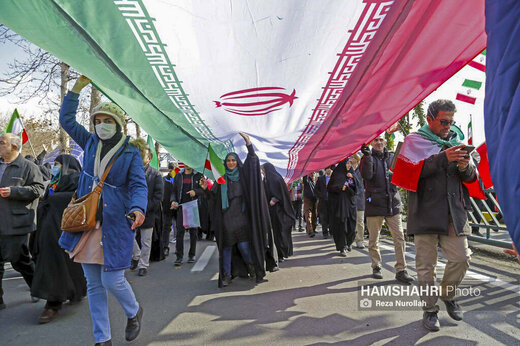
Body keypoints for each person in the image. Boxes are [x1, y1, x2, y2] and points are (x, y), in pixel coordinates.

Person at [58, 76, 147, 345]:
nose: (101, 125)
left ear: (118, 124)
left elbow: (138, 184)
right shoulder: (90, 141)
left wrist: (137, 208)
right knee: (94, 285)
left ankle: (134, 311)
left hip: (116, 221)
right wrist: (76, 89)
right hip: (87, 220)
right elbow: (67, 120)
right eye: (98, 120)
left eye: (107, 120)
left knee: (112, 281)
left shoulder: (130, 151)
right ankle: (102, 339)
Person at [402, 100, 474, 331]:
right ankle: (430, 310)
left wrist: (464, 166)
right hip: (424, 211)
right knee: (426, 267)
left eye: (451, 122)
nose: (448, 126)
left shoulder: (456, 141)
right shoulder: (414, 141)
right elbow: (407, 174)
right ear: (430, 118)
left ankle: (448, 294)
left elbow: (472, 178)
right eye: (443, 121)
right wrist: (443, 158)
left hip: (454, 211)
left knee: (462, 258)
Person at [201, 133, 277, 287]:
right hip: (227, 220)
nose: (230, 163)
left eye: (233, 160)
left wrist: (248, 144)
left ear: (237, 162)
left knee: (243, 246)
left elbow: (253, 162)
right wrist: (205, 189)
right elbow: (214, 198)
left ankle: (252, 268)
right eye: (228, 160)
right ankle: (227, 275)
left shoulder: (244, 176)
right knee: (227, 248)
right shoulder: (222, 179)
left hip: (242, 219)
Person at [31, 155, 86, 324]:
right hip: (49, 231)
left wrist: (53, 200)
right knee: (52, 265)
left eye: (57, 164)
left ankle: (59, 299)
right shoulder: (54, 182)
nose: (55, 168)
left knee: (70, 265)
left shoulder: (77, 179)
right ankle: (53, 301)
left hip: (67, 230)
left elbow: (79, 200)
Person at [360, 135, 413, 284]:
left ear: (385, 141)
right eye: (375, 140)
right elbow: (367, 175)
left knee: (399, 237)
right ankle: (376, 266)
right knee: (373, 240)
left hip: (393, 204)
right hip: (374, 204)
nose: (378, 143)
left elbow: (402, 174)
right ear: (371, 142)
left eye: (381, 140)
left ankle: (401, 270)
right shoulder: (366, 158)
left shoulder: (392, 157)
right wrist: (368, 157)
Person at [0, 133, 44, 310]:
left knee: (19, 260)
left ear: (14, 147)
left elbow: (38, 189)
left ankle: (36, 288)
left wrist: (14, 191)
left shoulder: (28, 167)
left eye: (2, 143)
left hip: (17, 223)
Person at [132, 146, 163, 276]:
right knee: (130, 238)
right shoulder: (131, 173)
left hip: (148, 213)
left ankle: (143, 265)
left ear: (149, 158)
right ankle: (136, 256)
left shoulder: (156, 174)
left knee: (146, 241)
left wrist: (144, 208)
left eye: (142, 155)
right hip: (132, 213)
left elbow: (158, 196)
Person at [170, 164, 203, 266]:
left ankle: (192, 255)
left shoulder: (198, 175)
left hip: (193, 206)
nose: (187, 165)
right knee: (180, 231)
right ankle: (179, 256)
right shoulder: (178, 176)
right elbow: (174, 191)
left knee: (193, 231)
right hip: (181, 207)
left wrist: (195, 191)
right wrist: (173, 201)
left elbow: (203, 190)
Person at [262, 162, 295, 262]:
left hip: (281, 212)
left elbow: (282, 194)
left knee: (281, 232)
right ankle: (279, 254)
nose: (262, 173)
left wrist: (275, 199)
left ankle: (283, 253)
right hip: (272, 212)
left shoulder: (276, 179)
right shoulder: (266, 180)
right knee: (275, 233)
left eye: (263, 170)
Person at [327, 158, 357, 256]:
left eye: (350, 163)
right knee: (341, 225)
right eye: (347, 163)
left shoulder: (352, 174)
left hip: (351, 204)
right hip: (340, 205)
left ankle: (349, 243)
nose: (348, 165)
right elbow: (330, 188)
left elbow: (358, 188)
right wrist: (340, 188)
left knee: (352, 225)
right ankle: (342, 247)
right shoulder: (337, 174)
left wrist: (353, 178)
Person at [351, 154, 367, 248]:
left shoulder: (361, 170)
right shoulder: (347, 169)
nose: (351, 159)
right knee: (351, 221)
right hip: (350, 199)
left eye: (353, 157)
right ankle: (350, 239)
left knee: (360, 221)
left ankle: (360, 240)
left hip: (360, 199)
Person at [161, 162, 176, 256]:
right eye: (170, 168)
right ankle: (165, 247)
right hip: (167, 207)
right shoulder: (164, 179)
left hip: (177, 206)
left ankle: (179, 250)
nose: (171, 170)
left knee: (179, 228)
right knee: (166, 227)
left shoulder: (179, 178)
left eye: (173, 168)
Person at [315, 166, 333, 239]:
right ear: (325, 170)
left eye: (330, 169)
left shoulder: (334, 178)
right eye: (327, 169)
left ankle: (332, 231)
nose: (329, 170)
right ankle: (325, 232)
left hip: (332, 201)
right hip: (323, 201)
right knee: (323, 217)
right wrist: (321, 195)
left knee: (331, 217)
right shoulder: (320, 179)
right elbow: (316, 190)